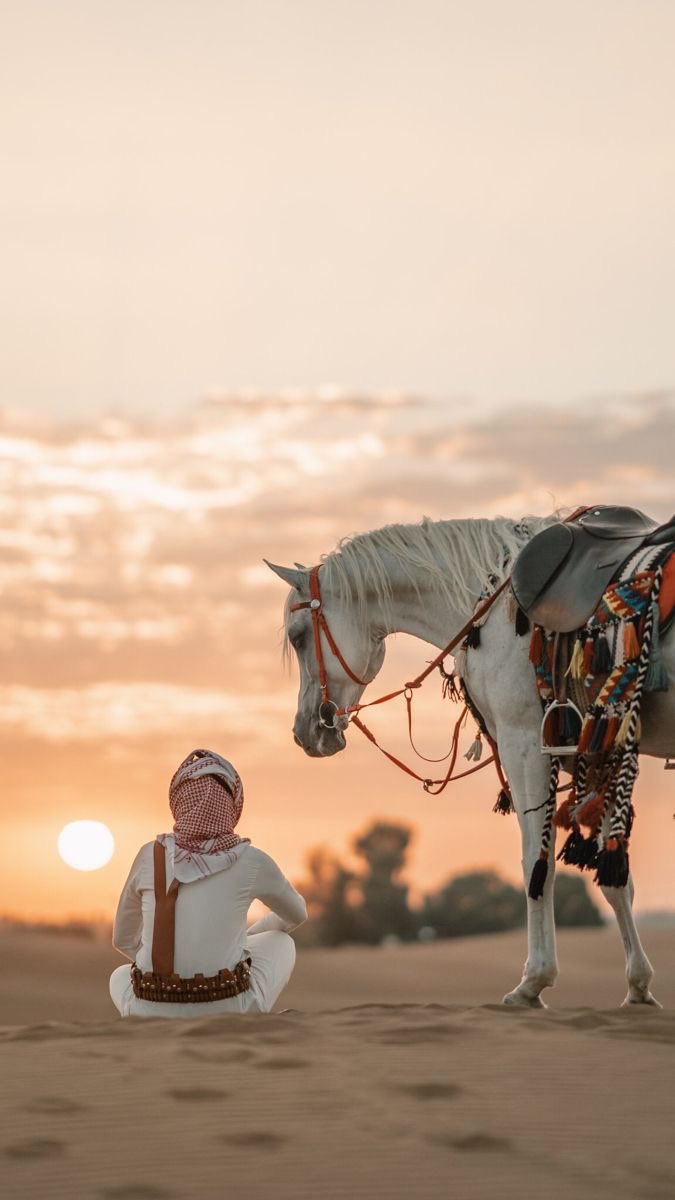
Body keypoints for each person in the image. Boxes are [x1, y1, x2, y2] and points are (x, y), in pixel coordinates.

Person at [109, 748, 307, 1017]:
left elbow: (122, 939)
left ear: (177, 802)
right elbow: (297, 914)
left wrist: (169, 972)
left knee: (119, 975)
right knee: (282, 942)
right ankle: (253, 1017)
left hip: (148, 1011)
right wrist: (246, 939)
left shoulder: (149, 855)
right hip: (231, 1010)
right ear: (233, 804)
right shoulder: (251, 860)